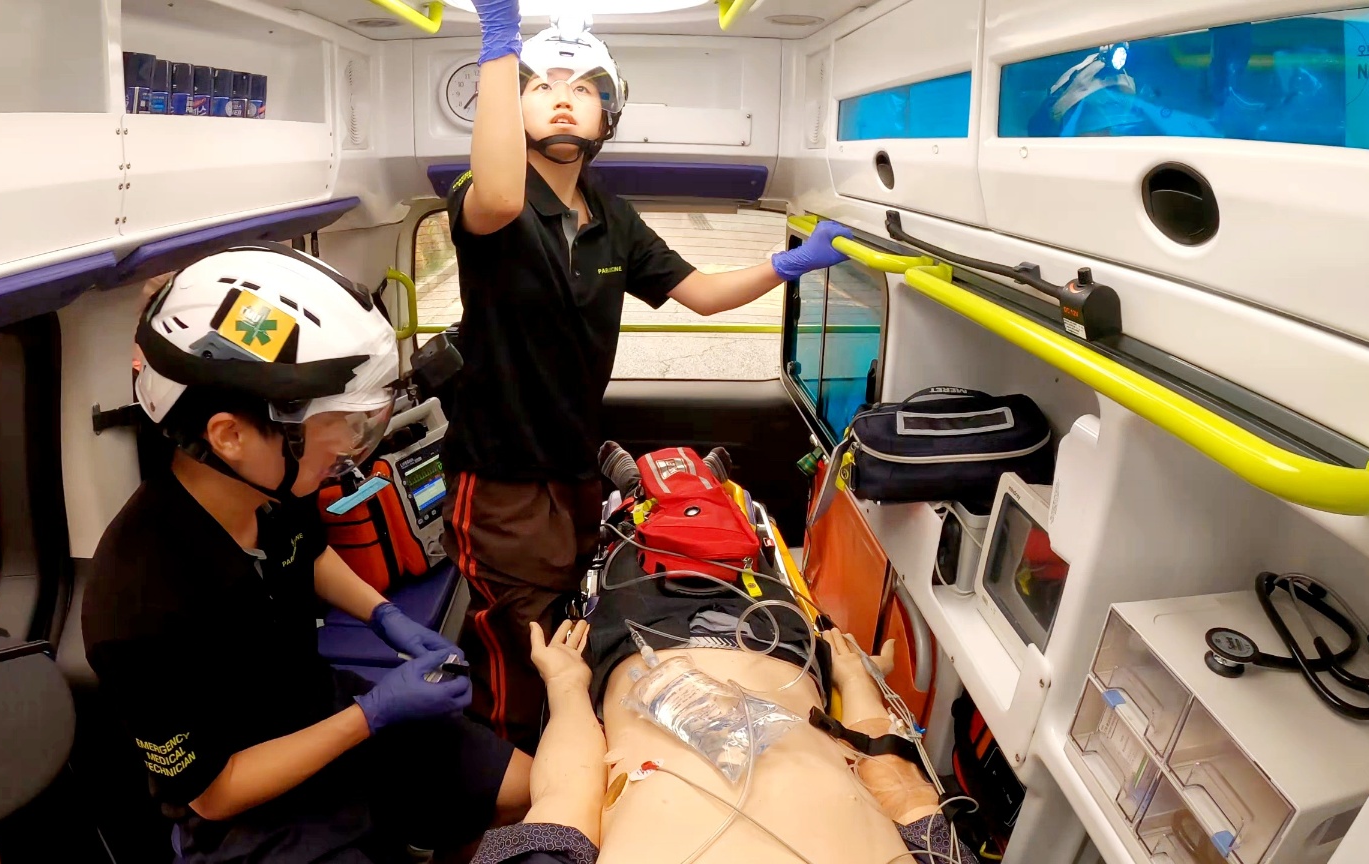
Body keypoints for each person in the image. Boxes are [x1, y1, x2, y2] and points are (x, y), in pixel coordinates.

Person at [440, 0, 858, 753]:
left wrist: (789, 262)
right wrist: (499, 42)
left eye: (585, 88)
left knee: (568, 629)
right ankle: (508, 783)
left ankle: (569, 763)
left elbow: (702, 294)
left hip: (574, 469)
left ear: (609, 116)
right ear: (512, 107)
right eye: (542, 86)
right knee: (516, 645)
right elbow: (499, 192)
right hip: (500, 477)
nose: (563, 98)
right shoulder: (490, 202)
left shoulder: (615, 218)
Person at [82, 245, 530, 863]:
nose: (348, 442)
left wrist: (384, 616)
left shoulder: (273, 490)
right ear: (230, 435)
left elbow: (308, 553)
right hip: (252, 804)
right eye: (333, 422)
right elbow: (213, 793)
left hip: (322, 709)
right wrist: (373, 714)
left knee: (529, 790)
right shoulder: (135, 601)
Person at [467, 621, 973, 864]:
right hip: (785, 654)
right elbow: (904, 791)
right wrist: (857, 680)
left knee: (669, 516)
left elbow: (563, 802)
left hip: (644, 651)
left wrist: (566, 683)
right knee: (714, 523)